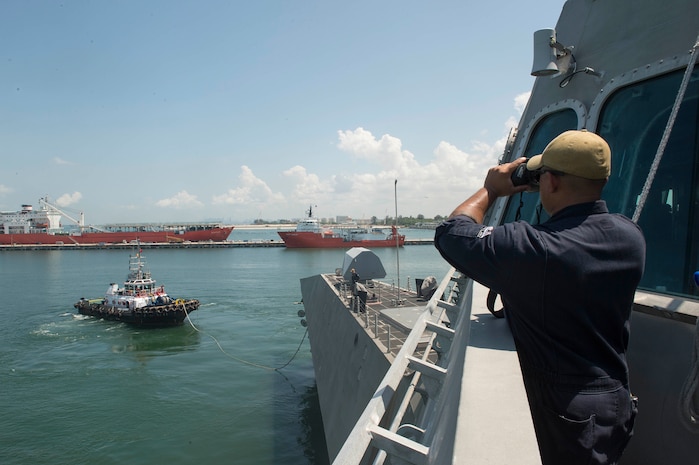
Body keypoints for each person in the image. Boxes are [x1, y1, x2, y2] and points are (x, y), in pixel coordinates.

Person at [434, 130, 645, 465]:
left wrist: (491, 189)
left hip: (567, 416)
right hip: (614, 404)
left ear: (552, 182)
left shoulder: (535, 248)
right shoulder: (630, 237)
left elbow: (451, 234)